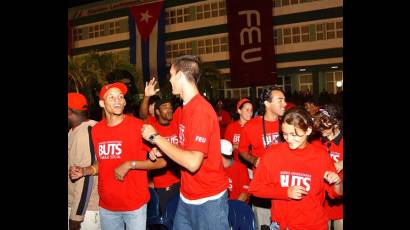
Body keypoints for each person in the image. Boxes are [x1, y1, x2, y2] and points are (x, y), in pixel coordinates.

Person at [141, 55, 230, 230]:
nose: (170, 80)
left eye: (171, 75)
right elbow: (185, 147)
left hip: (208, 200)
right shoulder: (184, 109)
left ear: (181, 76)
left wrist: (155, 138)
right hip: (187, 195)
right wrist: (162, 149)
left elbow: (192, 162)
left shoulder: (200, 110)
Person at [69, 82, 167, 230]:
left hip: (135, 206)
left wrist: (130, 164)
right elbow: (104, 163)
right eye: (112, 97)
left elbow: (162, 161)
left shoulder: (138, 126)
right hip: (107, 207)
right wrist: (85, 171)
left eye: (121, 97)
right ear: (102, 103)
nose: (118, 100)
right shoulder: (96, 131)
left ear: (125, 101)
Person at [248, 107, 342, 230]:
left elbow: (336, 194)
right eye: (285, 134)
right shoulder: (273, 153)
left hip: (313, 225)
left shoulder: (321, 155)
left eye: (294, 135)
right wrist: (285, 192)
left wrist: (337, 184)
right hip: (281, 225)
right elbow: (255, 188)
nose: (289, 139)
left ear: (308, 130)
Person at [238, 86, 287, 230]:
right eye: (280, 100)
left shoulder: (288, 123)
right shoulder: (251, 126)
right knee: (263, 223)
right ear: (267, 103)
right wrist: (254, 160)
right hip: (262, 181)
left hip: (284, 181)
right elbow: (242, 151)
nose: (284, 104)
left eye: (284, 100)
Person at [141, 77, 181, 214]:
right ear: (157, 112)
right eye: (165, 107)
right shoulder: (152, 127)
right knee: (168, 218)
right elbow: (143, 115)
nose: (169, 110)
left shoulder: (176, 122)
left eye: (170, 107)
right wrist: (146, 97)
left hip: (182, 180)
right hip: (164, 184)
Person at [68, 92, 100, 230]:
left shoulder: (83, 135)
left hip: (86, 211)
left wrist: (76, 217)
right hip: (79, 206)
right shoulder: (75, 131)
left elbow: (87, 178)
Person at [312, 104, 343, 230]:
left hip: (340, 198)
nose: (321, 129)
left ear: (335, 123)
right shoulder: (316, 141)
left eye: (324, 125)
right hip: (322, 200)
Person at [224, 98, 253, 168]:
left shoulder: (255, 126)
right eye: (247, 110)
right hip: (236, 165)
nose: (250, 112)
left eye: (251, 110)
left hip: (251, 164)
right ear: (239, 111)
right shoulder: (231, 127)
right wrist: (234, 146)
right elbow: (225, 150)